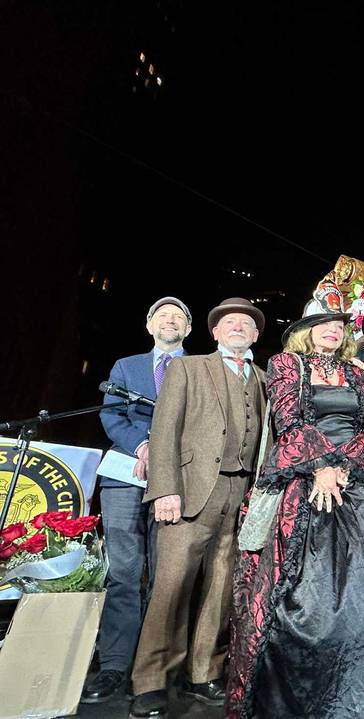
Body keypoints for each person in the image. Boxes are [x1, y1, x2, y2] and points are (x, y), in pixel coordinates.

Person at [226, 282, 364, 719]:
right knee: (298, 589)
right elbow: (288, 419)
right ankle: (288, 698)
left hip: (354, 486)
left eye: (338, 326)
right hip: (302, 482)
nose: (331, 331)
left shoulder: (358, 373)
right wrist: (321, 466)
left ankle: (355, 695)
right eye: (322, 324)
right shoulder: (288, 364)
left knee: (359, 591)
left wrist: (344, 469)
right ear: (307, 330)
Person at [129, 298, 267, 719]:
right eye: (230, 322)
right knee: (171, 586)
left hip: (239, 493)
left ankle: (204, 670)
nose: (238, 327)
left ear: (257, 335)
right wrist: (165, 489)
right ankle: (150, 680)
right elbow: (165, 429)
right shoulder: (186, 369)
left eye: (246, 323)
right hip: (189, 492)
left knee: (223, 587)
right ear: (214, 332)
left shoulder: (262, 378)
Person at [83, 296, 192, 704]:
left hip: (175, 481)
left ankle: (154, 667)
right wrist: (143, 445)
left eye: (178, 317)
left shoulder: (196, 369)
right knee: (124, 573)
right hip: (126, 476)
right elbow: (112, 416)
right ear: (149, 327)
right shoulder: (125, 367)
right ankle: (114, 664)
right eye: (162, 315)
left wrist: (164, 452)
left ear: (189, 330)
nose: (170, 320)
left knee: (165, 577)